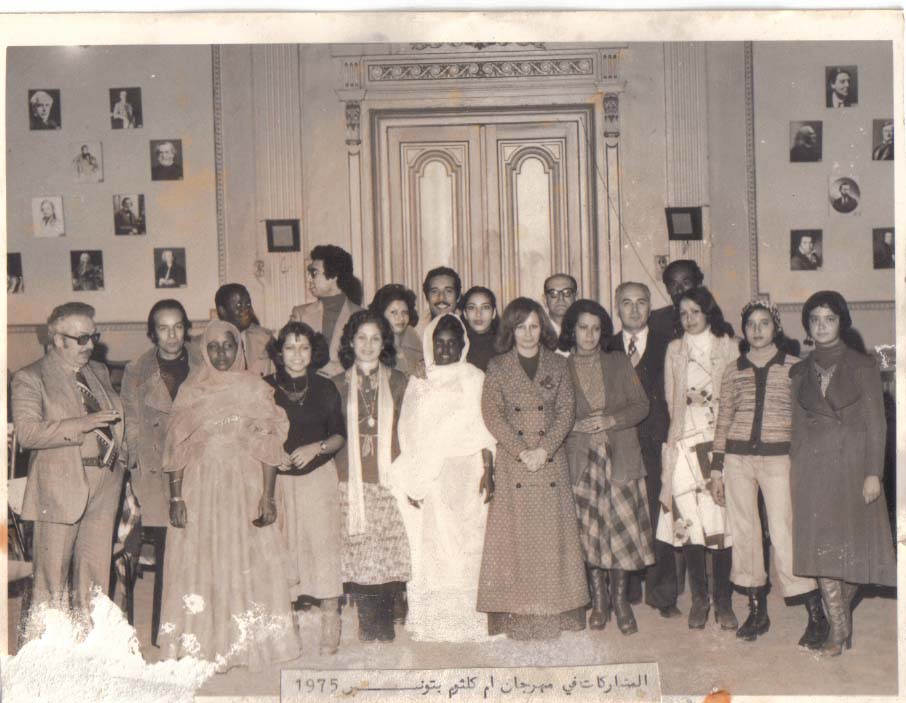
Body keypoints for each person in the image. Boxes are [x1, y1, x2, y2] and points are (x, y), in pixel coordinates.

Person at [159, 320, 299, 671]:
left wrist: (268, 496)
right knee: (202, 561)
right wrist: (176, 498)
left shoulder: (255, 388)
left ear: (239, 348)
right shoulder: (192, 390)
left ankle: (245, 646)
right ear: (204, 351)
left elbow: (269, 447)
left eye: (228, 346)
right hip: (201, 486)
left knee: (245, 560)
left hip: (244, 486)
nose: (221, 354)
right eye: (213, 347)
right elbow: (177, 448)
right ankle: (205, 644)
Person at [710, 301, 828, 647]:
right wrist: (716, 468)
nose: (758, 330)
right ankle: (756, 610)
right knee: (745, 532)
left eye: (764, 323)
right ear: (743, 329)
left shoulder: (795, 367)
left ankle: (815, 614)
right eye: (751, 324)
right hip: (738, 460)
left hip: (779, 460)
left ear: (776, 328)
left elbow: (808, 418)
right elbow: (723, 419)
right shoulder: (732, 370)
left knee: (784, 531)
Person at [789, 291, 896, 656]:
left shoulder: (863, 365)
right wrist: (796, 474)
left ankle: (839, 622)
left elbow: (877, 424)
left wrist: (873, 473)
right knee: (821, 551)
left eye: (829, 319)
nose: (821, 326)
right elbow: (797, 430)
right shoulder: (798, 371)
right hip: (812, 472)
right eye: (815, 319)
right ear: (807, 326)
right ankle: (839, 631)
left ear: (841, 322)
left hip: (852, 468)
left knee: (858, 549)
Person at [477, 297, 588, 640]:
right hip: (515, 463)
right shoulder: (497, 366)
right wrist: (522, 450)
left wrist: (544, 449)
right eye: (520, 327)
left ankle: (553, 616)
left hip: (549, 462)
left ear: (544, 328)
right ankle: (519, 619)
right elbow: (492, 414)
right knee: (516, 542)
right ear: (510, 331)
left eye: (534, 326)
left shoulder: (558, 364)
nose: (528, 334)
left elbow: (566, 411)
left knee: (551, 541)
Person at [11, 302, 125, 616]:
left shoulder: (98, 371)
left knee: (95, 581)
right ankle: (50, 645)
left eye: (93, 337)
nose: (90, 346)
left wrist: (121, 457)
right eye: (82, 339)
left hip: (105, 482)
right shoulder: (30, 377)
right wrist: (82, 424)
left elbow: (117, 418)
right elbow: (28, 434)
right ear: (58, 340)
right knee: (52, 583)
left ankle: (92, 641)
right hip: (60, 487)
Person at [391, 314, 496, 641]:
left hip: (469, 471)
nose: (446, 349)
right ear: (430, 345)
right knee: (436, 547)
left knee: (469, 545)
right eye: (440, 343)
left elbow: (485, 426)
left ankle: (471, 620)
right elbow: (409, 431)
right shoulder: (421, 381)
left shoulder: (474, 377)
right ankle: (438, 621)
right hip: (433, 473)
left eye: (453, 343)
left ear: (463, 345)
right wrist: (415, 476)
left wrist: (489, 470)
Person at [559, 299, 653, 635]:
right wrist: (575, 425)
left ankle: (620, 601)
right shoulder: (560, 367)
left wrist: (611, 420)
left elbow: (641, 405)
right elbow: (552, 416)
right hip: (582, 460)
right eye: (583, 328)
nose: (589, 335)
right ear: (572, 331)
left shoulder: (618, 362)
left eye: (596, 328)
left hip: (620, 458)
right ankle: (598, 602)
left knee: (621, 532)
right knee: (590, 534)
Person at [120, 300, 201, 646]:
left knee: (200, 551)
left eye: (178, 326)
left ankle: (201, 631)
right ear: (152, 333)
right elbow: (130, 424)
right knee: (169, 553)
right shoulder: (136, 370)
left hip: (198, 467)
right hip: (155, 473)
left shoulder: (204, 362)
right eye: (163, 328)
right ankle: (164, 635)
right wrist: (132, 474)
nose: (172, 335)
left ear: (186, 328)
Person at [264, 322, 346, 655]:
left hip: (318, 479)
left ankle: (330, 621)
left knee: (324, 549)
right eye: (290, 348)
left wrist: (316, 447)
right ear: (279, 352)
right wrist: (274, 454)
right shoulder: (265, 388)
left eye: (304, 348)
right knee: (284, 551)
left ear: (313, 352)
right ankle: (290, 627)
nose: (297, 355)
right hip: (281, 482)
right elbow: (257, 435)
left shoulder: (326, 387)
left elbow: (339, 436)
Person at [660, 287, 738, 631]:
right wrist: (679, 437)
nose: (689, 318)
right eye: (683, 313)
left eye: (695, 311)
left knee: (720, 521)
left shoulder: (727, 345)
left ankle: (723, 600)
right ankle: (700, 599)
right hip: (684, 441)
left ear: (708, 311)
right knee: (690, 522)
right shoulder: (674, 350)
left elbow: (736, 396)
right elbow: (670, 399)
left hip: (718, 440)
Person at [333, 310, 411, 643]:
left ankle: (386, 623)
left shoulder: (399, 381)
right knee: (361, 554)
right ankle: (369, 626)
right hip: (350, 480)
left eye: (375, 338)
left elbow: (409, 430)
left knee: (386, 553)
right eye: (361, 338)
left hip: (389, 479)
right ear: (350, 342)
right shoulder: (336, 384)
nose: (368, 345)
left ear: (385, 343)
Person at [606, 282, 680, 619]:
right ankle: (628, 589)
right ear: (617, 308)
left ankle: (662, 594)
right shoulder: (606, 347)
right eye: (627, 303)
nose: (634, 310)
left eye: (640, 303)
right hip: (618, 442)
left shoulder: (669, 345)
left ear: (650, 307)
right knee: (623, 515)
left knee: (658, 515)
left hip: (656, 440)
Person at [290, 245, 362, 377]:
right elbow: (287, 356)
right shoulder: (300, 314)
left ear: (333, 276)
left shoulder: (361, 316)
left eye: (314, 273)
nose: (309, 279)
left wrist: (341, 368)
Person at [214, 283, 273, 377]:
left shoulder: (265, 338)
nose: (246, 309)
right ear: (222, 311)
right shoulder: (207, 345)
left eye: (248, 304)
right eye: (239, 305)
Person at [369, 283, 423, 376]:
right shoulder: (375, 350)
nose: (401, 318)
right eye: (394, 312)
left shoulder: (414, 345)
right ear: (381, 315)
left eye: (404, 312)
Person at [649, 259, 704, 341]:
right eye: (673, 284)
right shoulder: (654, 319)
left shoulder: (711, 318)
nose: (679, 290)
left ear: (698, 285)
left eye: (686, 283)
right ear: (667, 289)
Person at [458, 285, 500, 372]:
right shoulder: (457, 344)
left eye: (485, 307)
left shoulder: (506, 344)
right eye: (472, 307)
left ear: (494, 313)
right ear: (465, 314)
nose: (478, 314)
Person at [415, 266, 462, 338]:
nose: (441, 297)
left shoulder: (470, 329)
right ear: (427, 297)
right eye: (434, 291)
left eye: (448, 291)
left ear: (458, 296)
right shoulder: (415, 332)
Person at [542, 273, 577, 337]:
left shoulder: (584, 331)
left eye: (567, 292)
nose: (561, 298)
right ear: (545, 299)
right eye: (553, 293)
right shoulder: (538, 332)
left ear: (576, 297)